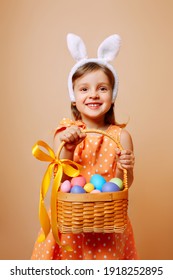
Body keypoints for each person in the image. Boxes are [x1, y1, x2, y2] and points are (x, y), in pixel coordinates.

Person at [31, 33, 138, 260]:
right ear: (73, 97)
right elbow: (60, 184)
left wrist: (125, 167)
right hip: (70, 226)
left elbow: (123, 183)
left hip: (108, 225)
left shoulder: (121, 136)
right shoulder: (64, 134)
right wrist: (68, 147)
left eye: (102, 88)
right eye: (84, 89)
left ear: (112, 95)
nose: (93, 95)